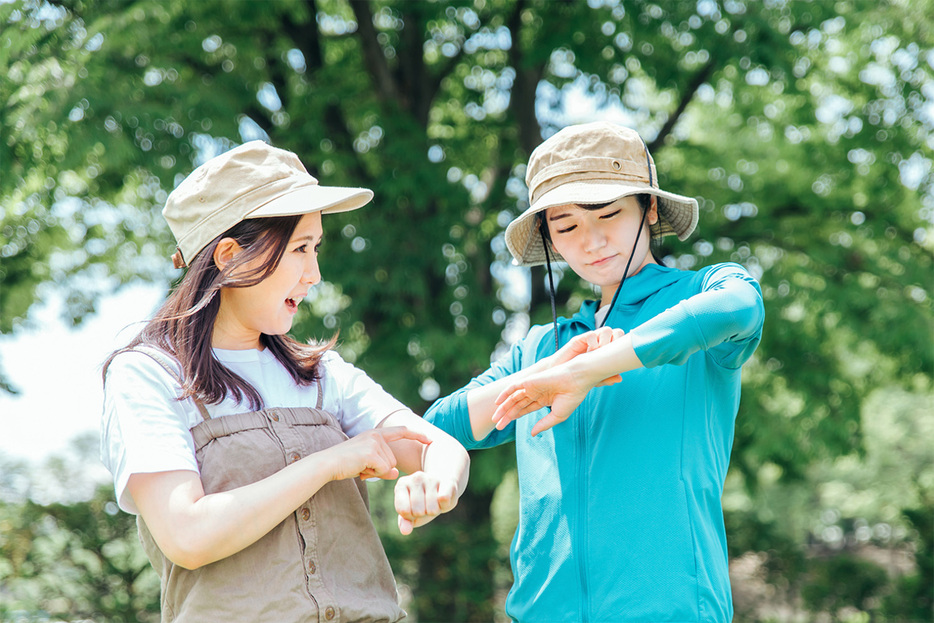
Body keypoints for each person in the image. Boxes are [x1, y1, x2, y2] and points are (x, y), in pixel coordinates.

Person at [100, 141, 469, 622]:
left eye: (316, 248)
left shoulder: (323, 375)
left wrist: (437, 483)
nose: (314, 273)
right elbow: (187, 536)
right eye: (299, 249)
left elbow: (438, 447)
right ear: (231, 256)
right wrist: (330, 462)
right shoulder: (149, 375)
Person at [424, 121, 765, 622]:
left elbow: (740, 306)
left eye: (608, 213)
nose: (592, 239)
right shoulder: (543, 345)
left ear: (648, 208)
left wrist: (589, 371)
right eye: (566, 227)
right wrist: (549, 372)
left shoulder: (701, 293)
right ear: (548, 237)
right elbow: (438, 427)